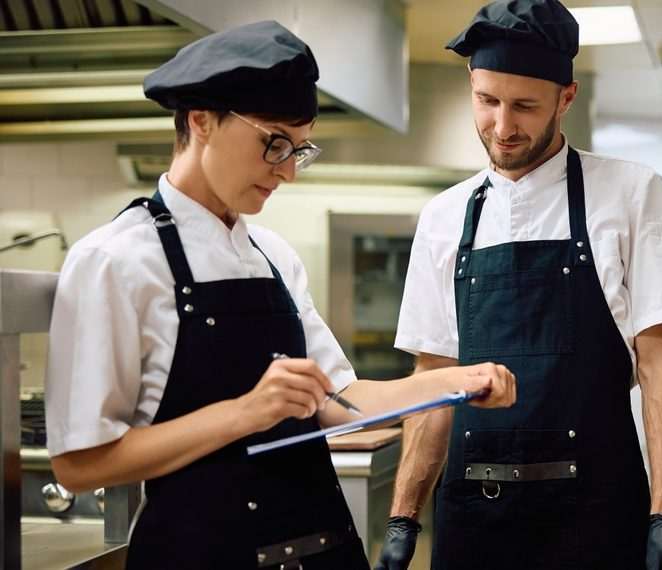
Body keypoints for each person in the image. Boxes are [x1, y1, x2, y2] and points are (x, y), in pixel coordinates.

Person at [43, 20, 515, 570]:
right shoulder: (115, 261)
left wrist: (453, 381)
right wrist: (245, 412)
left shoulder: (273, 256)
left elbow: (339, 403)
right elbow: (79, 464)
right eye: (274, 144)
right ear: (201, 121)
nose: (288, 171)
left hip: (323, 551)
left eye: (299, 148)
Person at [373, 1, 662, 569]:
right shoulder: (443, 215)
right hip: (474, 516)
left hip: (597, 512)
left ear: (566, 97)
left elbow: (660, 360)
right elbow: (434, 376)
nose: (503, 127)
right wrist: (403, 518)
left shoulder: (632, 193)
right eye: (487, 101)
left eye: (525, 106)